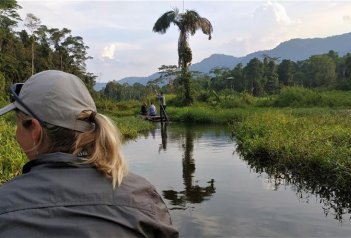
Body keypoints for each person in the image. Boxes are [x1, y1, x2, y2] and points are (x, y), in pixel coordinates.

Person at [0, 70, 178, 237]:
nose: (16, 133)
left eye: (18, 123)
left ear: (35, 131)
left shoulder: (5, 202)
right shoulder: (144, 197)